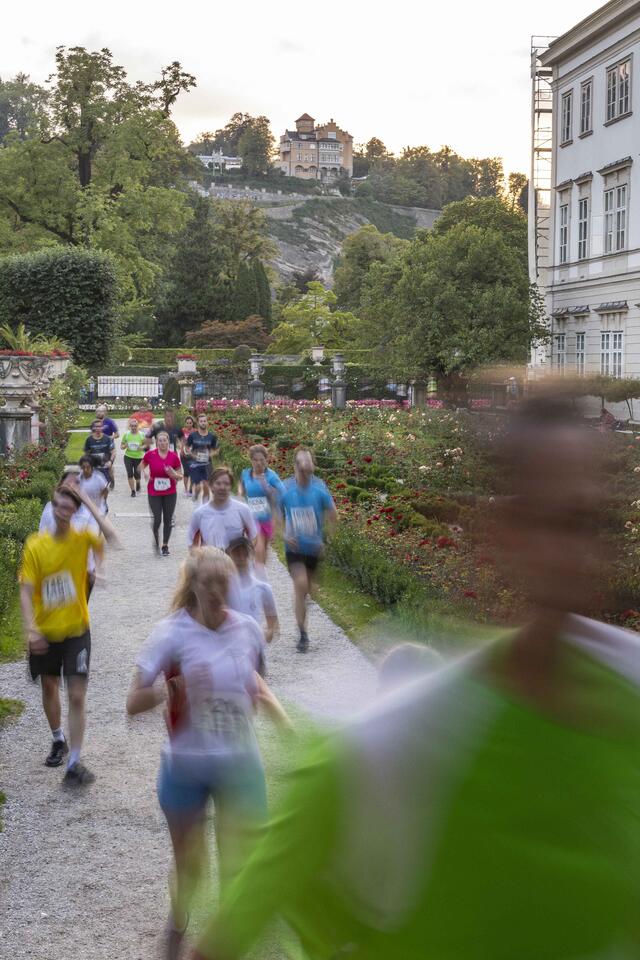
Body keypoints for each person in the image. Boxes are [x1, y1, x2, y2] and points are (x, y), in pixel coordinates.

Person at [190, 397, 640, 960]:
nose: (579, 553)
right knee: (302, 587)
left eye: (590, 522)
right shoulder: (399, 743)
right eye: (553, 522)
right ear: (502, 532)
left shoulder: (630, 692)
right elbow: (225, 936)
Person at [126, 548, 289, 960]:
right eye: (208, 583)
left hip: (239, 762)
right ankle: (178, 919)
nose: (218, 591)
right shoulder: (171, 633)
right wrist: (169, 690)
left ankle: (226, 943)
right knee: (190, 867)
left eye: (224, 582)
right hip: (187, 764)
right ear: (193, 586)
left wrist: (279, 719)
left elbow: (254, 681)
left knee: (240, 863)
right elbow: (133, 701)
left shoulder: (248, 629)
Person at [19, 483, 117, 785]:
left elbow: (111, 538)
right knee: (49, 688)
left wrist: (88, 500)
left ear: (75, 511)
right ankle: (57, 738)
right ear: (53, 506)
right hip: (46, 631)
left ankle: (74, 761)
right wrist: (31, 628)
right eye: (60, 505)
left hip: (77, 629)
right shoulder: (36, 545)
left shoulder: (82, 537)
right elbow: (26, 589)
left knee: (76, 694)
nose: (64, 511)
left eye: (70, 507)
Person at [279, 448, 337, 652]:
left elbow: (332, 514)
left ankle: (302, 600)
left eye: (309, 464)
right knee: (301, 585)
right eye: (302, 464)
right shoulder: (285, 489)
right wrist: (285, 534)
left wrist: (328, 538)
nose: (305, 469)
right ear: (295, 466)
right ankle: (303, 633)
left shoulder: (319, 488)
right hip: (294, 548)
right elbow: (276, 515)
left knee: (308, 590)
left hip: (313, 548)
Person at [40, 470, 101, 597]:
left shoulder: (88, 512)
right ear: (60, 486)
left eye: (76, 485)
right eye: (68, 484)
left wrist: (96, 569)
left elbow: (94, 542)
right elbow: (42, 538)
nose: (72, 488)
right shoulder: (49, 509)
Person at [238, 445, 284, 573]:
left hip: (267, 517)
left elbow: (282, 492)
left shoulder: (271, 476)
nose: (259, 463)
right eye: (255, 460)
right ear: (251, 460)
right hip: (251, 518)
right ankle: (258, 574)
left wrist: (267, 487)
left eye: (262, 460)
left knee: (264, 548)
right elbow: (241, 484)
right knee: (258, 546)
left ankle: (260, 570)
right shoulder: (246, 473)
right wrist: (241, 491)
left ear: (266, 460)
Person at [188, 467, 257, 552]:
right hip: (209, 563)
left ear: (231, 487)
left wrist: (243, 556)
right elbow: (191, 544)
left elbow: (254, 538)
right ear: (211, 485)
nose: (222, 487)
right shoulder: (199, 514)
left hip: (235, 564)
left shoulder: (243, 510)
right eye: (218, 483)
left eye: (226, 484)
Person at [226, 537, 279, 647]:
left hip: (254, 648)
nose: (240, 557)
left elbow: (272, 621)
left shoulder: (263, 588)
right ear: (229, 556)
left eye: (243, 552)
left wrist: (266, 635)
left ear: (249, 554)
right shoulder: (223, 587)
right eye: (236, 553)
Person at [142, 430, 183, 556]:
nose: (162, 443)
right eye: (160, 440)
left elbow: (180, 475)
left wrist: (174, 474)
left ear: (168, 442)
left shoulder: (174, 457)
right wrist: (146, 473)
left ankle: (165, 545)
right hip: (154, 491)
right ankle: (156, 539)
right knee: (157, 519)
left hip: (170, 491)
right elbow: (141, 466)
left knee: (168, 519)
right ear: (156, 442)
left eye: (164, 440)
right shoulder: (150, 455)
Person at [186, 413, 219, 504]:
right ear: (198, 423)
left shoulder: (212, 436)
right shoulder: (193, 435)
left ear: (207, 422)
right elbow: (187, 447)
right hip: (195, 464)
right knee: (198, 487)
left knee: (206, 486)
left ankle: (205, 507)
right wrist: (191, 454)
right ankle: (196, 494)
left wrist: (211, 454)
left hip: (207, 465)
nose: (203, 423)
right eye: (201, 421)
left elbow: (216, 449)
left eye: (204, 421)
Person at [83, 419, 116, 488]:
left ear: (102, 427)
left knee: (110, 468)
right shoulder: (89, 439)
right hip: (94, 463)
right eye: (96, 426)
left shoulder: (107, 439)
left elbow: (113, 452)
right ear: (93, 428)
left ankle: (112, 480)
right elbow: (86, 452)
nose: (98, 428)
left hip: (105, 462)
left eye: (100, 426)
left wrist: (110, 461)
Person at [95, 404, 119, 489]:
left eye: (100, 411)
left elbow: (117, 435)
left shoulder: (110, 422)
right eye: (97, 411)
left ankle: (112, 480)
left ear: (105, 412)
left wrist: (108, 438)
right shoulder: (95, 423)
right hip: (98, 447)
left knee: (108, 466)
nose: (97, 413)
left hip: (109, 448)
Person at [120, 416, 145, 497]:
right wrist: (125, 446)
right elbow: (121, 446)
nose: (134, 427)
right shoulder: (126, 435)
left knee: (137, 475)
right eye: (132, 426)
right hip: (128, 457)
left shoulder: (142, 435)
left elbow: (146, 447)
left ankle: (138, 483)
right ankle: (133, 491)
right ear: (130, 426)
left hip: (139, 457)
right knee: (130, 474)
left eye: (135, 426)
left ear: (138, 426)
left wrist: (141, 447)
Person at [180, 415, 196, 498]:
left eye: (190, 423)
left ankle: (190, 490)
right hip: (184, 455)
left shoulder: (196, 431)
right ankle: (186, 489)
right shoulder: (182, 431)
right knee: (186, 472)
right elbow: (180, 442)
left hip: (193, 455)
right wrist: (182, 449)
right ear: (185, 424)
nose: (189, 424)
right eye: (187, 423)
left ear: (192, 423)